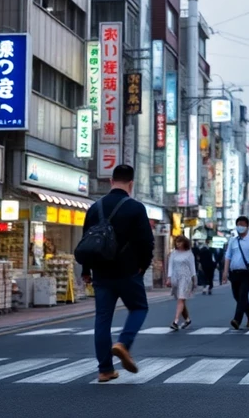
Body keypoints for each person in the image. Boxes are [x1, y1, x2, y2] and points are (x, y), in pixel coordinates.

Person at [80, 164, 155, 383]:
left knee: (102, 319)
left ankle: (104, 370)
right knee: (139, 307)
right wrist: (143, 265)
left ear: (111, 181)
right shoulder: (136, 208)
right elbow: (147, 243)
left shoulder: (95, 207)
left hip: (101, 273)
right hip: (128, 270)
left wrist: (86, 270)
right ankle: (123, 343)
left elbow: (87, 241)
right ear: (131, 184)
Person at [223, 216, 249, 330]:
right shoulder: (233, 241)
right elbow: (228, 256)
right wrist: (225, 271)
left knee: (242, 295)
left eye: (243, 224)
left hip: (247, 273)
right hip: (234, 273)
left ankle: (237, 320)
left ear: (247, 226)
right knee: (237, 296)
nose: (240, 227)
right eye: (238, 224)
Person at [167, 235, 195, 330]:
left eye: (180, 242)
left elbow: (193, 268)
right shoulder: (174, 253)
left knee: (181, 299)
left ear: (184, 243)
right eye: (177, 242)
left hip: (186, 278)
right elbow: (170, 266)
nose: (178, 244)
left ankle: (175, 321)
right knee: (181, 299)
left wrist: (194, 280)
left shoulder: (189, 254)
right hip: (176, 278)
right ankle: (187, 319)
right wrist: (169, 278)